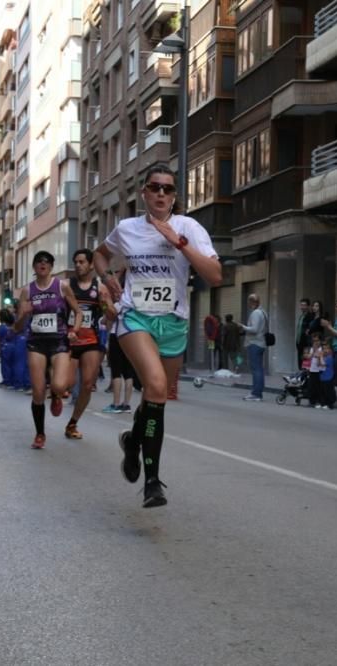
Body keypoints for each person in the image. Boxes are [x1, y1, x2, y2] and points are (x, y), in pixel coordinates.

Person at [92, 164, 222, 507]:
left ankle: (133, 441)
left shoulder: (188, 227)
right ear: (144, 193)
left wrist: (179, 244)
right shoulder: (127, 229)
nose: (161, 193)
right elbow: (100, 256)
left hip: (174, 322)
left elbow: (215, 275)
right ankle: (152, 482)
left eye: (168, 189)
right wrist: (107, 279)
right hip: (136, 318)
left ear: (175, 196)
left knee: (156, 396)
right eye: (155, 187)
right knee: (156, 385)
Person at [14, 250, 82, 449]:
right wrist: (23, 315)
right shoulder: (27, 291)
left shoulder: (62, 287)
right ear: (34, 267)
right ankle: (40, 434)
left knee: (60, 385)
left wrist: (74, 330)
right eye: (39, 262)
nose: (43, 264)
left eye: (47, 262)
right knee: (38, 391)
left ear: (52, 267)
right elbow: (17, 328)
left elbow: (77, 313)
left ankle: (58, 395)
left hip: (59, 341)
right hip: (36, 343)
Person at [64, 248, 115, 440]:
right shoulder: (67, 285)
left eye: (82, 262)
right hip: (69, 340)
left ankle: (73, 423)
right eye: (75, 262)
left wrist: (103, 303)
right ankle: (59, 395)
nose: (78, 265)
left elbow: (112, 315)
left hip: (91, 340)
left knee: (86, 384)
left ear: (91, 264)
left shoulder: (100, 287)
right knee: (65, 384)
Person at [240, 294, 267, 402]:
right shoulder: (263, 312)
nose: (249, 304)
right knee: (259, 369)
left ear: (253, 302)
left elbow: (254, 329)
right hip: (261, 343)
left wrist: (243, 327)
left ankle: (256, 393)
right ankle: (259, 391)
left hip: (255, 343)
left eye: (249, 302)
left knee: (256, 369)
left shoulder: (256, 313)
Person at [296, 298, 313, 368]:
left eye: (304, 305)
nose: (302, 307)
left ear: (308, 306)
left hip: (306, 343)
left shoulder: (310, 317)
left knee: (305, 363)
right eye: (301, 305)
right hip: (299, 342)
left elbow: (310, 330)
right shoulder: (301, 316)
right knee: (300, 361)